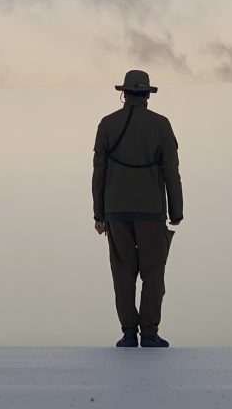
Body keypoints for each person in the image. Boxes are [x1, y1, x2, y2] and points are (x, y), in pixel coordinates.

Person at [92, 69, 183, 348]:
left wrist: (99, 213)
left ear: (124, 94)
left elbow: (99, 172)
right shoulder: (160, 125)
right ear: (147, 95)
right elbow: (171, 171)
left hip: (116, 211)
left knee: (123, 274)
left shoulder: (107, 124)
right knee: (153, 274)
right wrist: (176, 211)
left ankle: (129, 333)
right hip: (151, 210)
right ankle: (150, 333)